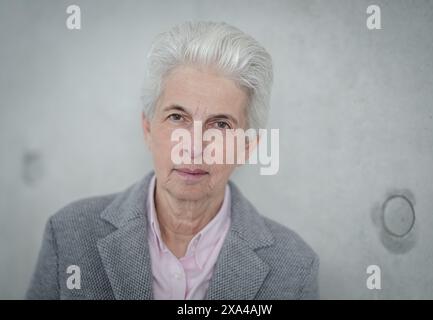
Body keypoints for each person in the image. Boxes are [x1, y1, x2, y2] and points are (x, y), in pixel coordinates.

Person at [26, 21, 319, 300]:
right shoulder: (68, 235)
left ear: (246, 148)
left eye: (220, 125)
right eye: (177, 117)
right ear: (148, 129)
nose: (193, 147)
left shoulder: (295, 267)